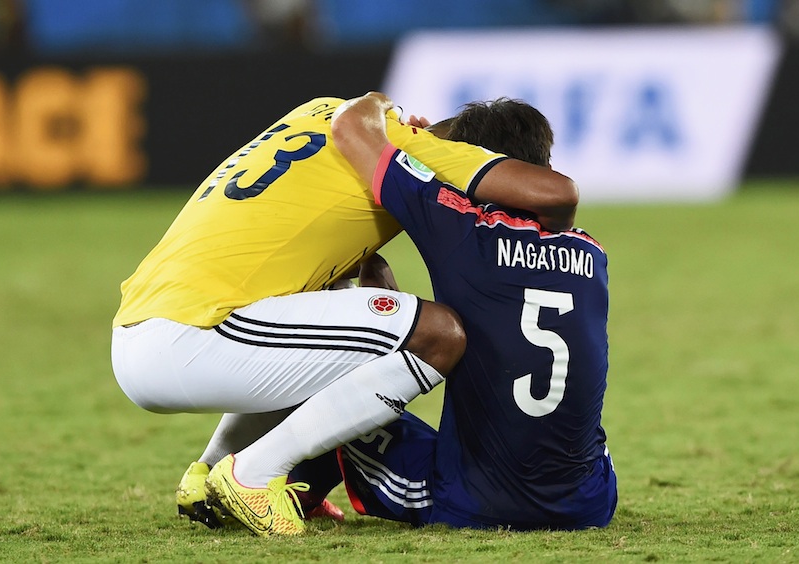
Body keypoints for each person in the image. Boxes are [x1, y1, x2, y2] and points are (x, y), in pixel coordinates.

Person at [110, 96, 578, 536]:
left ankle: (210, 475)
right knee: (438, 335)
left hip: (141, 329)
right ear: (484, 156)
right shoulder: (426, 151)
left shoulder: (320, 109)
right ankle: (254, 474)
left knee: (341, 311)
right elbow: (556, 193)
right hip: (194, 333)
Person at [325, 92, 616, 531]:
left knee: (322, 353)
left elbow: (353, 130)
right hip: (589, 504)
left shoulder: (461, 229)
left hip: (474, 503)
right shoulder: (591, 253)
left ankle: (293, 489)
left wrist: (393, 117)